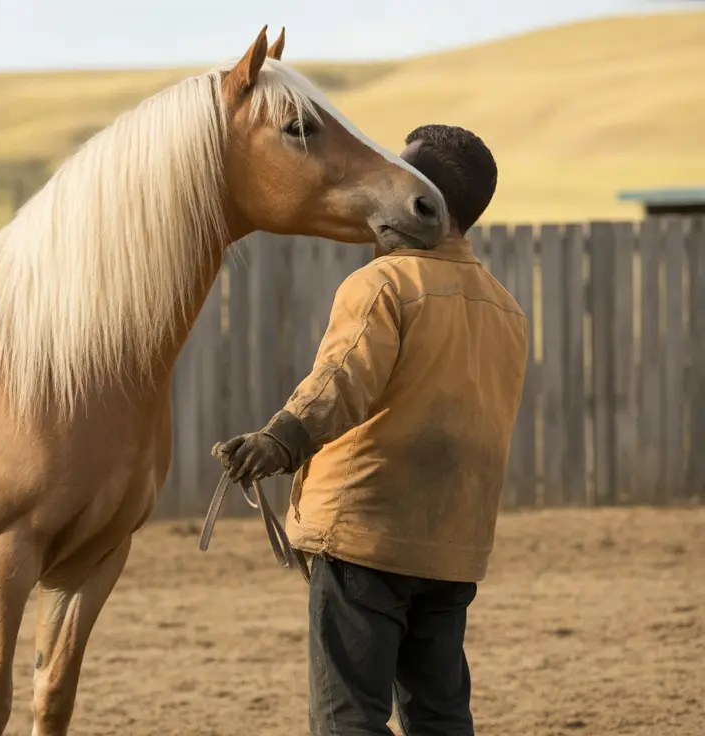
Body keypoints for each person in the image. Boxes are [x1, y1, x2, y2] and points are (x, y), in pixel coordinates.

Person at [213, 124, 528, 735]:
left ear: (421, 194)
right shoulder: (506, 307)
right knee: (440, 714)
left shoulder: (384, 284)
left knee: (347, 716)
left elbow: (343, 379)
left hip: (364, 533)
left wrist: (281, 438)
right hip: (453, 545)